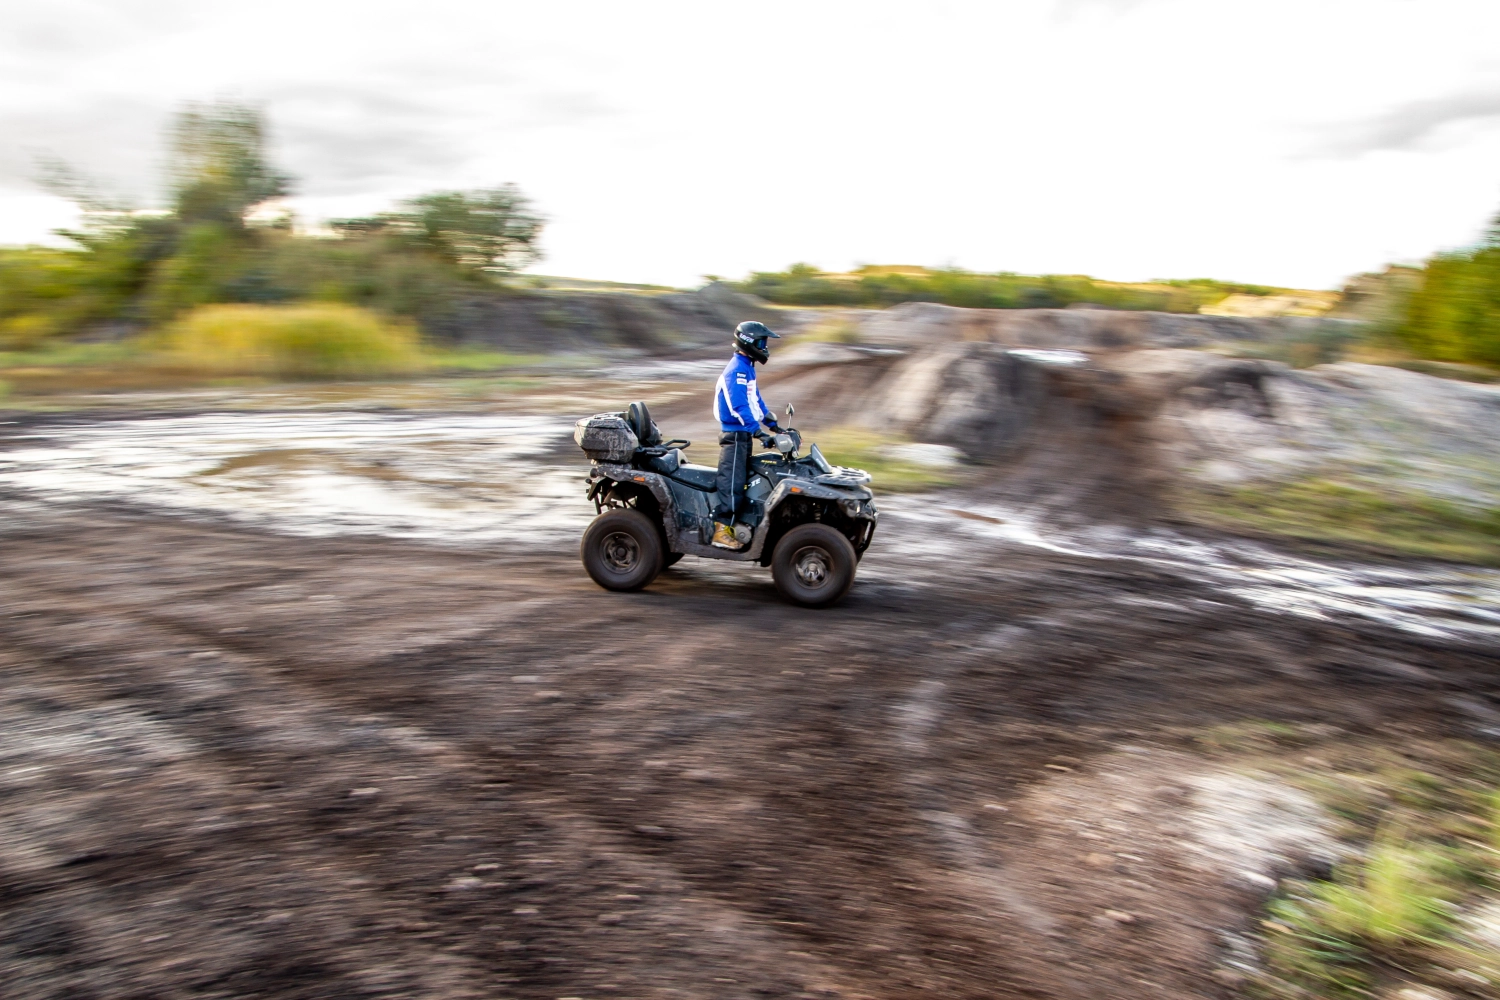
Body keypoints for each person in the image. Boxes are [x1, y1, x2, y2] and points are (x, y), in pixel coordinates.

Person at [710, 320, 782, 549]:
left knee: (747, 484)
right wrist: (758, 433)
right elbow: (738, 407)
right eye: (762, 342)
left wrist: (773, 424)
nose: (765, 346)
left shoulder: (747, 367)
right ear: (749, 341)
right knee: (732, 484)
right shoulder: (737, 369)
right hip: (735, 438)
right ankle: (721, 531)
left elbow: (755, 401)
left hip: (743, 436)